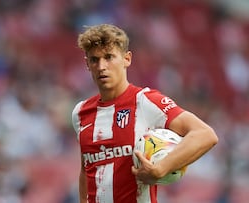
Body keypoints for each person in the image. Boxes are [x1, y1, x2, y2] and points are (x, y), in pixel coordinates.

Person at [71, 24, 218, 203]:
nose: (102, 66)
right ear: (87, 64)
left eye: (109, 57)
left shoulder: (145, 101)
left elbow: (205, 135)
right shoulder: (80, 113)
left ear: (127, 59)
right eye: (95, 60)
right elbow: (86, 170)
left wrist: (161, 168)